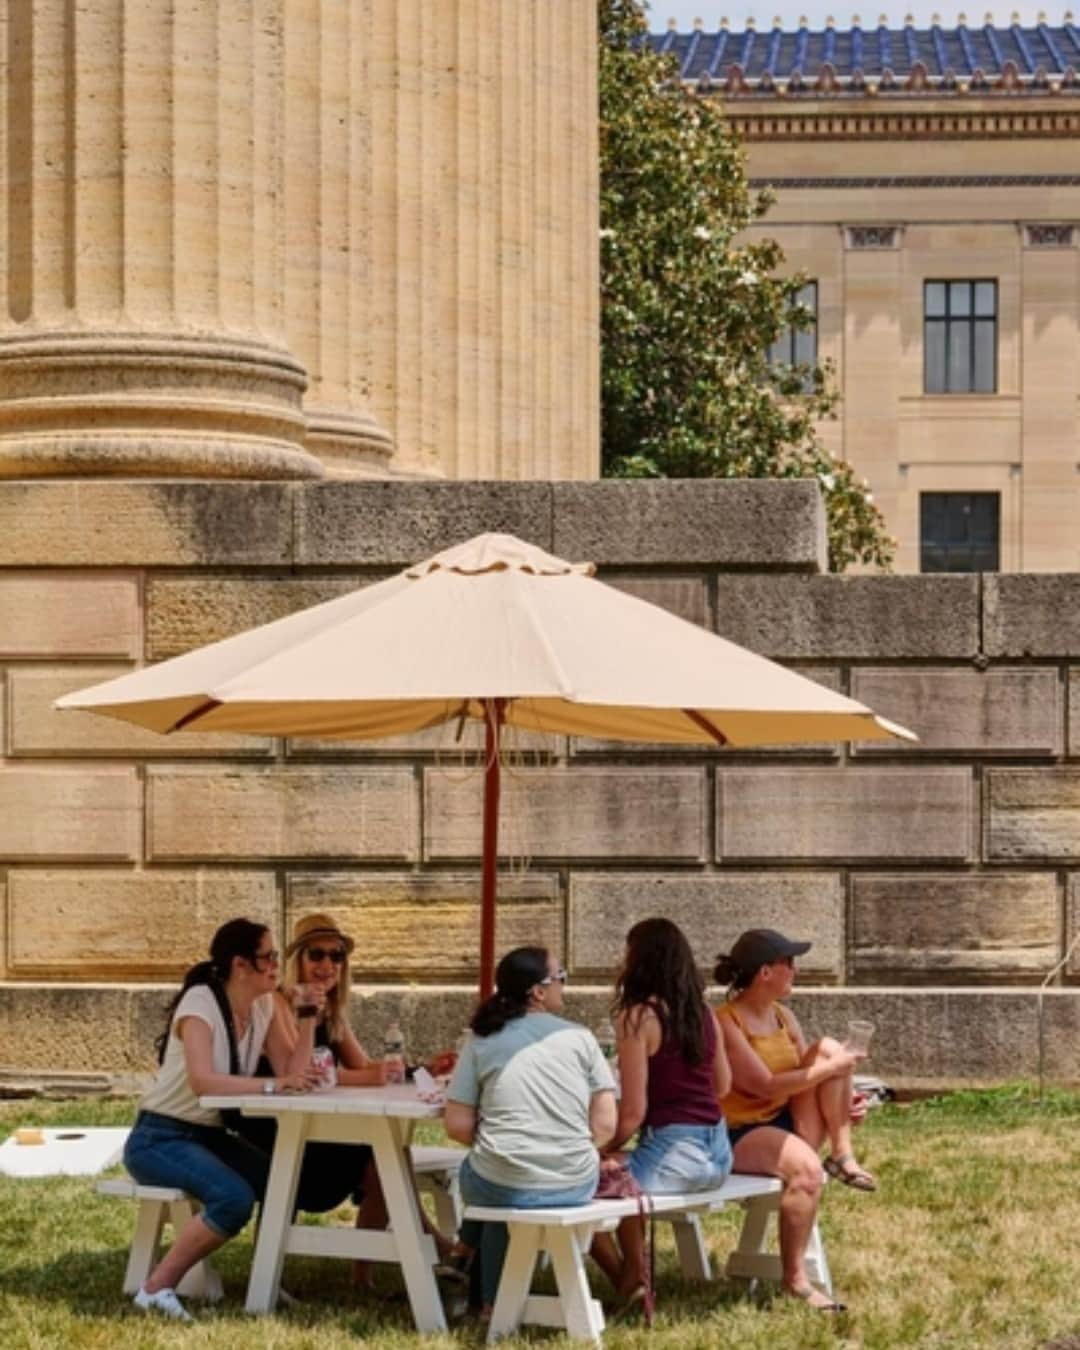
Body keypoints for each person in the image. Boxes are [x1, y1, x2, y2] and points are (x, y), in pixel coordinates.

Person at [123, 918, 322, 1322]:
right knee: (233, 1198)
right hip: (159, 1136)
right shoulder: (200, 1002)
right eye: (268, 957)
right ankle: (156, 1289)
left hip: (207, 1134)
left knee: (283, 1178)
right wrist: (273, 1085)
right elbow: (202, 1081)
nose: (275, 966)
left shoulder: (262, 1005)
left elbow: (292, 1071)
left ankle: (265, 1278)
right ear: (240, 965)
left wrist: (307, 1018)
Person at [444, 947, 618, 1317]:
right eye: (561, 978)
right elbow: (605, 1125)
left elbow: (457, 1127)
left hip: (500, 1179)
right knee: (500, 1182)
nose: (564, 987)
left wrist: (505, 1138)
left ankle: (469, 1263)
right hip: (572, 1179)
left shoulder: (481, 1040)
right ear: (538, 992)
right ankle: (482, 1289)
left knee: (490, 1177)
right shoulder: (582, 1038)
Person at [715, 928, 872, 1313]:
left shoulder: (784, 1017)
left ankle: (842, 1152)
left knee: (828, 1048)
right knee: (805, 1172)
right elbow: (764, 1085)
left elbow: (811, 1072)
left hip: (787, 1120)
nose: (796, 971)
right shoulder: (725, 1021)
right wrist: (833, 1070)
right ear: (765, 972)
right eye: (789, 963)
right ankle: (795, 1280)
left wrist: (842, 1102)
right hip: (742, 1132)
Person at [590, 917, 733, 1309]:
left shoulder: (638, 1018)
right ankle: (631, 1281)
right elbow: (722, 1086)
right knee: (618, 1170)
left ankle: (628, 1278)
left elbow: (634, 1112)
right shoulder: (704, 1015)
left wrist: (599, 1148)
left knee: (577, 1179)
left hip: (674, 1155)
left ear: (639, 961)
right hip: (718, 1155)